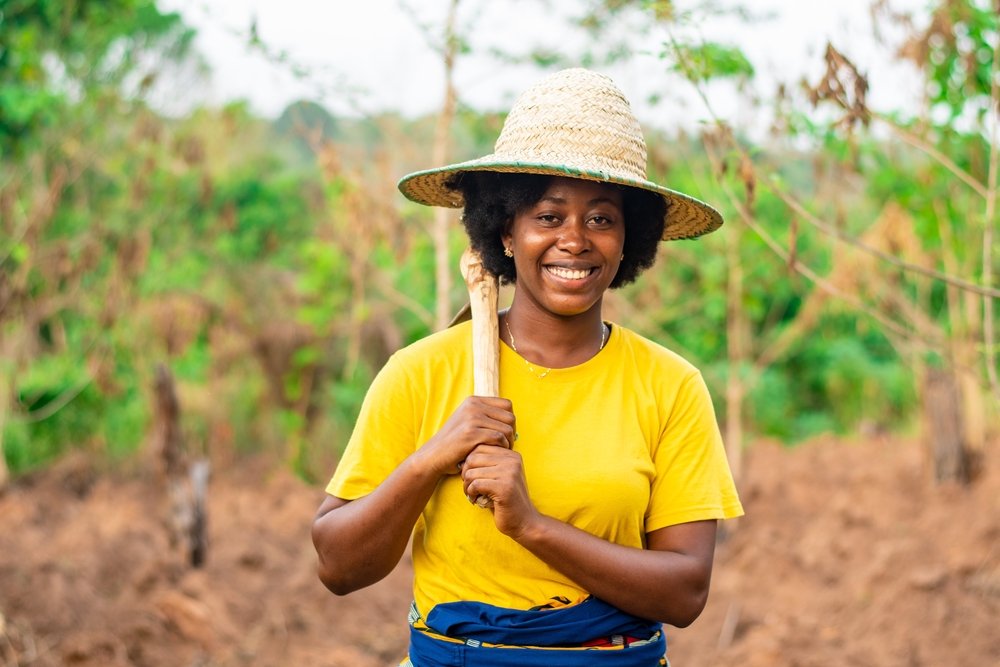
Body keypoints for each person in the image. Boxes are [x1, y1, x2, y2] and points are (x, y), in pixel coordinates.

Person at [311, 68, 743, 666]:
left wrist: (532, 526)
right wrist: (433, 458)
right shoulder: (423, 371)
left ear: (628, 241)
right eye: (548, 216)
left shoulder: (668, 385)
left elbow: (686, 589)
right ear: (505, 232)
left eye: (601, 218)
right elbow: (337, 564)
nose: (575, 240)